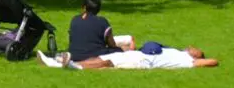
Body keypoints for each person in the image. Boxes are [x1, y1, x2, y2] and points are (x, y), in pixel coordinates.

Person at [59, 0, 131, 68]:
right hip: (94, 55)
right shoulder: (102, 21)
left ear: (84, 7)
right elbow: (112, 45)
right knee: (122, 50)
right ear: (98, 9)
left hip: (73, 55)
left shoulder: (74, 20)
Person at [40, 45, 219, 70]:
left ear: (197, 56)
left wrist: (202, 60)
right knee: (103, 57)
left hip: (142, 61)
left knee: (108, 62)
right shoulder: (177, 50)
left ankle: (72, 66)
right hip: (137, 54)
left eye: (196, 49)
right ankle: (61, 63)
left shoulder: (188, 60)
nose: (192, 47)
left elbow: (214, 61)